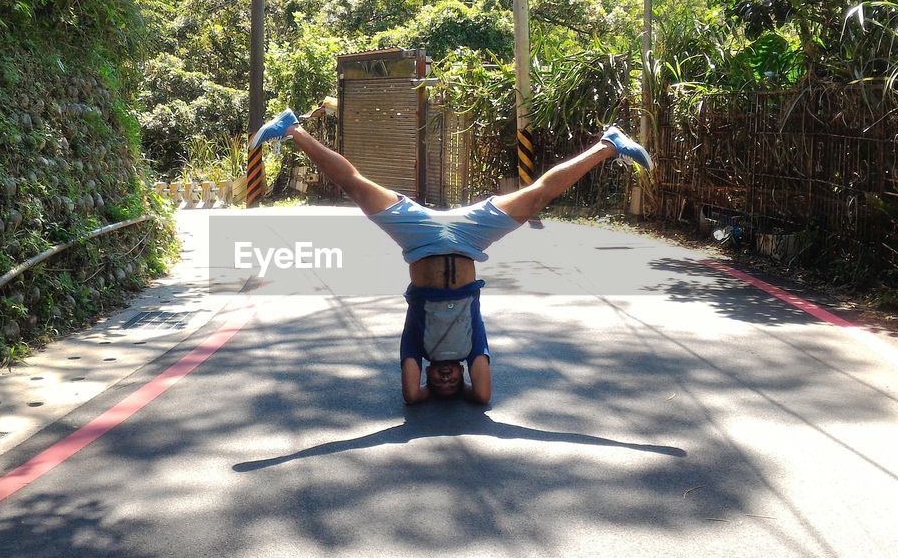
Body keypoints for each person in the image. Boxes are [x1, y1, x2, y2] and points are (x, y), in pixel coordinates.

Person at [250, 106, 653, 406]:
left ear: (429, 373)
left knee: (354, 186)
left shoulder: (417, 346)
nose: (443, 380)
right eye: (450, 382)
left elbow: (411, 395)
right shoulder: (472, 344)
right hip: (468, 237)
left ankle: (293, 128)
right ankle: (608, 144)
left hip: (420, 237)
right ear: (460, 375)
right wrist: (460, 388)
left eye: (437, 382)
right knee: (538, 196)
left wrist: (430, 390)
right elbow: (483, 395)